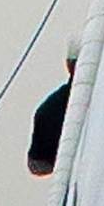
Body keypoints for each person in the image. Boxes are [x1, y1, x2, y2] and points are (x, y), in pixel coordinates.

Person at [27, 37, 79, 176]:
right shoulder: (50, 110)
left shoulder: (48, 110)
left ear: (69, 65)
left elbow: (38, 165)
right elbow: (38, 165)